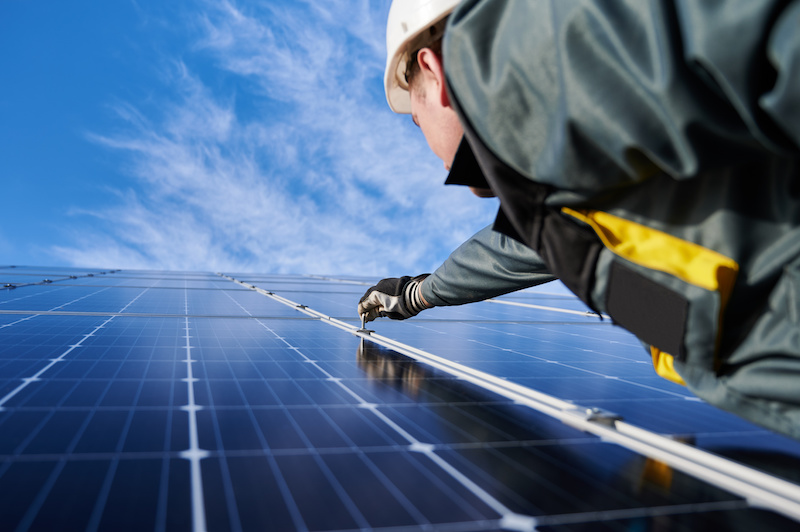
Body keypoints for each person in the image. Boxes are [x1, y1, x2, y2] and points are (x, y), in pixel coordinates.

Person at [360, 0, 800, 439]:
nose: (439, 165)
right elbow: (511, 248)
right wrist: (416, 294)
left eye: (418, 123)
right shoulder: (554, 195)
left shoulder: (543, 54)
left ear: (434, 72)